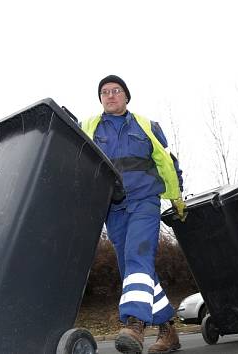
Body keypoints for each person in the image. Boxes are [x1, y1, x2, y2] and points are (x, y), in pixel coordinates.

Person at [81, 75, 187, 354]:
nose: (110, 95)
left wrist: (176, 195)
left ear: (127, 97)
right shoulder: (88, 128)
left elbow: (166, 161)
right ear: (100, 99)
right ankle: (169, 331)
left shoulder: (146, 125)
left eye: (116, 91)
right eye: (104, 92)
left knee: (138, 255)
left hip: (144, 200)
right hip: (113, 207)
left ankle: (134, 323)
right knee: (133, 268)